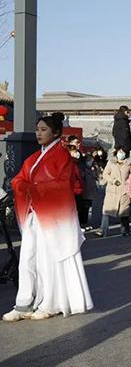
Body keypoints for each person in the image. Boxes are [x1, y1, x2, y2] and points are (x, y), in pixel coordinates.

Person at [2, 112, 93, 322]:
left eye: (44, 130)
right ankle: (23, 303)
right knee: (26, 260)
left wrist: (30, 187)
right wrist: (25, 186)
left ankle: (48, 303)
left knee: (46, 260)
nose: (39, 133)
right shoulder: (35, 157)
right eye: (38, 129)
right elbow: (19, 179)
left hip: (52, 217)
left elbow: (62, 185)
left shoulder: (62, 157)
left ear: (56, 133)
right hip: (35, 214)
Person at [100, 147, 131, 237]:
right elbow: (105, 174)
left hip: (124, 191)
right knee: (106, 211)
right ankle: (103, 230)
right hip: (112, 190)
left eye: (123, 152)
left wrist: (129, 186)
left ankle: (125, 230)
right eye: (119, 152)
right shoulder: (111, 163)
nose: (121, 153)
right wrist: (113, 180)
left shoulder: (129, 164)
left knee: (124, 212)